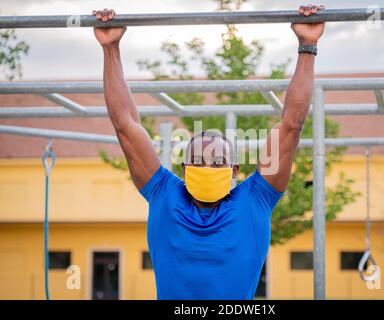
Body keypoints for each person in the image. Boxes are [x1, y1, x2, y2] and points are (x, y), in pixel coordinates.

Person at [92, 4, 325, 299]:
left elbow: (291, 124)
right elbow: (125, 124)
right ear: (184, 169)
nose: (207, 166)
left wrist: (307, 46)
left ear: (234, 171)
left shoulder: (255, 200)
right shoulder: (165, 194)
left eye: (217, 162)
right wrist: (110, 49)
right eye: (199, 161)